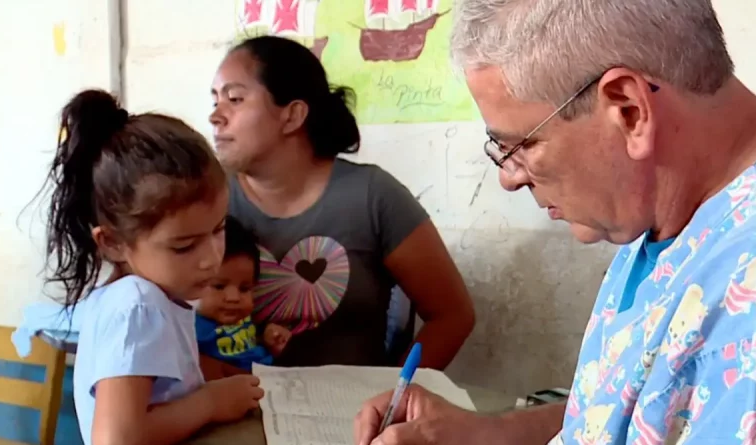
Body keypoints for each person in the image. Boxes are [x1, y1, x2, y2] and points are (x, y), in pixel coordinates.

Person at [354, 0, 756, 444]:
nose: (508, 177)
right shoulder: (684, 193)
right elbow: (634, 409)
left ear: (630, 111)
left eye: (520, 145)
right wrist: (489, 434)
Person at [209, 35, 475, 369]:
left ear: (292, 116)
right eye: (215, 100)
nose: (216, 116)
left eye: (234, 98)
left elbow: (452, 315)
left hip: (350, 416)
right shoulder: (206, 198)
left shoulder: (372, 196)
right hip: (228, 412)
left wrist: (393, 399)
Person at [40, 89, 263, 445]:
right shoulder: (138, 305)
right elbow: (116, 440)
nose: (211, 258)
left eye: (219, 230)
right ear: (112, 242)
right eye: (184, 246)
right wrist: (210, 403)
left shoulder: (145, 296)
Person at [196, 216, 292, 379]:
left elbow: (247, 350)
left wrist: (268, 341)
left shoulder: (243, 318)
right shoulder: (189, 327)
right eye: (219, 286)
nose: (234, 298)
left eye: (245, 288)